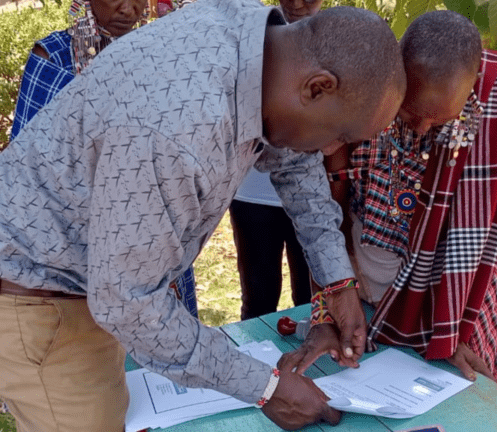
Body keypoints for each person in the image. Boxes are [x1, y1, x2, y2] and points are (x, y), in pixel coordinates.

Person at [0, 3, 405, 431]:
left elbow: (294, 161)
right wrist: (266, 388)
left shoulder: (260, 44)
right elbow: (128, 304)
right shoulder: (177, 129)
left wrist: (337, 282)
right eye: (340, 135)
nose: (329, 151)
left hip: (91, 277)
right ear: (317, 87)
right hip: (38, 295)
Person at [279, 10, 497, 387]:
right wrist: (326, 313)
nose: (421, 128)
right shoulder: (362, 105)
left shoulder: (493, 122)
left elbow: (477, 243)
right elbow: (326, 221)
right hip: (365, 304)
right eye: (410, 111)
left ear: (470, 92)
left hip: (454, 313)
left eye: (438, 120)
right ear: (397, 77)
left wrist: (451, 329)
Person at [10, 0, 200, 320]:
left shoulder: (155, 54)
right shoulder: (54, 57)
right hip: (75, 245)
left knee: (154, 346)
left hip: (151, 236)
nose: (130, 9)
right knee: (88, 353)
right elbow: (29, 165)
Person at [229, 0, 324, 321]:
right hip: (252, 193)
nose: (296, 3)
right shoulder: (252, 39)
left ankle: (312, 367)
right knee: (257, 299)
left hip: (312, 195)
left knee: (311, 300)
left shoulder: (336, 44)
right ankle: (258, 365)